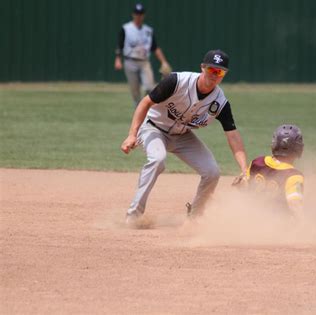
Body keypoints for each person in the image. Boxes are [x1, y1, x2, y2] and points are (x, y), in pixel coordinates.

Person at [121, 49, 248, 223]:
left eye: (219, 71)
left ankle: (194, 217)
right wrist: (132, 135)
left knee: (212, 172)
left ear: (223, 75)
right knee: (158, 159)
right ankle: (133, 215)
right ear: (202, 67)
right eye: (211, 69)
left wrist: (244, 170)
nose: (214, 74)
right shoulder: (176, 81)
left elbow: (233, 135)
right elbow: (146, 102)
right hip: (154, 128)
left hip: (182, 136)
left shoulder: (220, 103)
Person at [114, 3, 172, 106]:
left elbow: (155, 48)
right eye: (136, 13)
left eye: (140, 14)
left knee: (150, 87)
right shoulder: (126, 28)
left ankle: (147, 107)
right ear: (133, 15)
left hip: (144, 62)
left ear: (143, 15)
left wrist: (164, 62)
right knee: (135, 91)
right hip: (130, 61)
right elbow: (120, 45)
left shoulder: (148, 31)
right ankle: (139, 110)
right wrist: (118, 59)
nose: (138, 16)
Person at [243, 124, 304, 218]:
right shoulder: (294, 176)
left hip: (249, 217)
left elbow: (241, 186)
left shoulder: (257, 162)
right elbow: (295, 205)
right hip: (276, 225)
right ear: (298, 148)